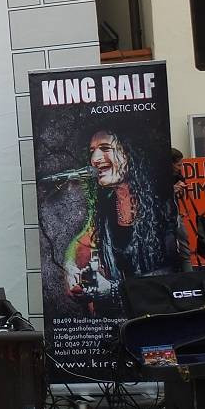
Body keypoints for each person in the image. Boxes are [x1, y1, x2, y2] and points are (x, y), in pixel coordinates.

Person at [63, 128, 177, 310]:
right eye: (92, 151)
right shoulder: (106, 206)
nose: (94, 160)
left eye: (105, 148)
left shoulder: (164, 203)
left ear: (130, 153)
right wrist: (70, 268)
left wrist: (115, 290)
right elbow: (78, 243)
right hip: (126, 320)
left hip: (161, 314)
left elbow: (173, 271)